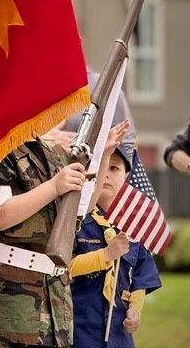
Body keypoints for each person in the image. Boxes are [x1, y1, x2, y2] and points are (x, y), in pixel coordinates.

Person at [0, 138, 87, 348]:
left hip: (56, 293)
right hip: (13, 292)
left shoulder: (52, 150)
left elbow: (81, 209)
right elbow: (0, 216)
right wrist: (54, 186)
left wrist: (104, 153)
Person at [71, 143, 162, 348]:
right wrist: (106, 255)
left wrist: (135, 309)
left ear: (126, 176)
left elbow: (141, 275)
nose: (106, 175)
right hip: (79, 331)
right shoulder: (76, 221)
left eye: (114, 168)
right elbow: (64, 267)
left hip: (119, 335)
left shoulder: (132, 226)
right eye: (102, 167)